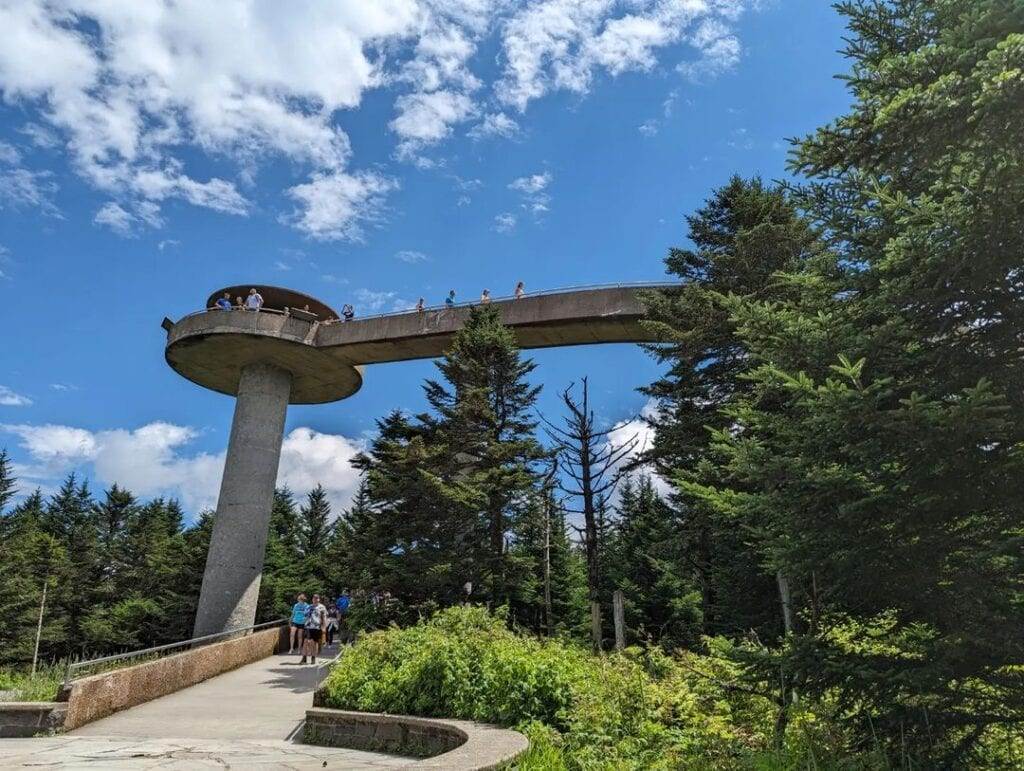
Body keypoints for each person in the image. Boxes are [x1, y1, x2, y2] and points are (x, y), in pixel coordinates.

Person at [301, 593, 327, 665]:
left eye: (317, 598)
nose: (315, 600)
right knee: (306, 642)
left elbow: (324, 618)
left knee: (314, 643)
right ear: (312, 599)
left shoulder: (322, 607)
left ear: (319, 599)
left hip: (317, 627)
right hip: (308, 626)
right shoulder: (309, 607)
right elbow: (305, 616)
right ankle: (304, 658)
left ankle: (313, 658)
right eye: (314, 598)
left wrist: (324, 627)